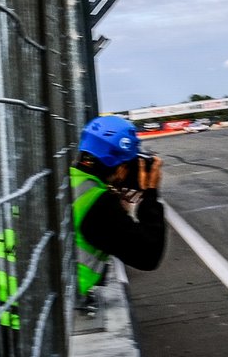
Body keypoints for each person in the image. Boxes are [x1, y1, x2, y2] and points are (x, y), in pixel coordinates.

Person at [71, 115, 167, 301]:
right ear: (121, 167)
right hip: (36, 316)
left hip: (7, 301)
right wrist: (150, 194)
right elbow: (149, 255)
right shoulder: (97, 202)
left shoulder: (69, 179)